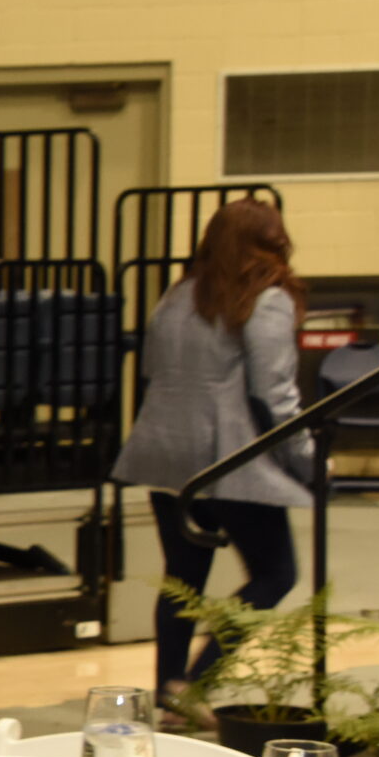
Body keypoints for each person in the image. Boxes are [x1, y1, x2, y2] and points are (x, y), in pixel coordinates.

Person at [110, 197, 312, 714]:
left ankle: (169, 689)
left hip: (166, 453)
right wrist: (308, 461)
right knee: (276, 574)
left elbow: (151, 370)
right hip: (227, 457)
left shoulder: (176, 295)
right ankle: (194, 685)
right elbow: (273, 395)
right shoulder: (265, 298)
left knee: (183, 579)